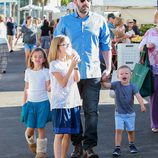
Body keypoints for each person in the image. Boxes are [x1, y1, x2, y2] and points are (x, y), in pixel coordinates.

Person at [53, 0, 112, 157]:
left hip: (93, 73)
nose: (84, 2)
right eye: (81, 0)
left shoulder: (99, 20)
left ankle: (89, 147)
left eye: (87, 0)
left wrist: (108, 67)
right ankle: (77, 145)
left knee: (92, 112)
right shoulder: (65, 21)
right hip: (71, 74)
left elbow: (106, 45)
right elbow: (55, 45)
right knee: (73, 111)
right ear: (74, 2)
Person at [48, 35, 81, 158]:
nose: (68, 47)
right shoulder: (54, 64)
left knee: (68, 134)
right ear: (57, 47)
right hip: (60, 103)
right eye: (65, 45)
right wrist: (72, 66)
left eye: (69, 44)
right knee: (60, 134)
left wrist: (75, 65)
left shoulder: (69, 62)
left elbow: (77, 79)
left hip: (73, 101)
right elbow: (63, 83)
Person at [102, 65, 146, 157]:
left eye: (126, 73)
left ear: (131, 75)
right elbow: (106, 85)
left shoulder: (133, 86)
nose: (124, 75)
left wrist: (142, 105)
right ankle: (117, 147)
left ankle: (132, 144)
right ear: (118, 76)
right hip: (119, 114)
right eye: (121, 73)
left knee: (130, 131)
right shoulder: (116, 84)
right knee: (118, 130)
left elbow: (138, 96)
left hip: (130, 114)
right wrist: (103, 80)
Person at [21, 48, 51, 158]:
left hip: (43, 103)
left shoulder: (46, 71)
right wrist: (24, 103)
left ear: (44, 59)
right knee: (29, 130)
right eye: (35, 56)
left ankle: (41, 152)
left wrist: (52, 86)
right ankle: (31, 142)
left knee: (40, 127)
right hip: (30, 104)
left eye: (40, 57)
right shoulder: (28, 71)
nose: (37, 58)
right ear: (31, 58)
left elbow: (48, 87)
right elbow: (26, 88)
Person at [139, 11, 158, 133]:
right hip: (154, 70)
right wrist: (147, 45)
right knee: (155, 97)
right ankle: (155, 123)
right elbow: (140, 48)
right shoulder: (150, 32)